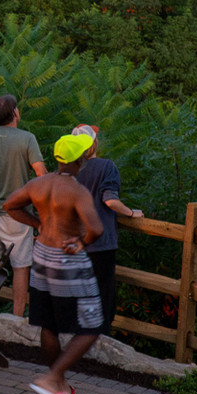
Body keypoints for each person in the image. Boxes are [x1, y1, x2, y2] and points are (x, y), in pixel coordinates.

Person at [1, 132, 105, 394]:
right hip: (67, 259)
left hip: (41, 255)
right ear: (81, 159)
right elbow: (96, 228)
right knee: (92, 325)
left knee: (48, 324)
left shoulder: (38, 183)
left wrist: (37, 224)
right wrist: (81, 242)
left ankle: (58, 384)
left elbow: (9, 204)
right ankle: (51, 377)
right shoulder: (77, 191)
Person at [0, 94, 46, 315]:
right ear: (15, 113)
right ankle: (16, 316)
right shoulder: (27, 139)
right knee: (21, 267)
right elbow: (41, 173)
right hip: (19, 214)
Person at [66, 124, 142, 337]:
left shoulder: (68, 170)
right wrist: (130, 213)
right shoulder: (106, 167)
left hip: (74, 243)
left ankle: (75, 340)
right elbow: (109, 200)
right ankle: (99, 344)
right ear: (94, 143)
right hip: (101, 243)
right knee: (103, 296)